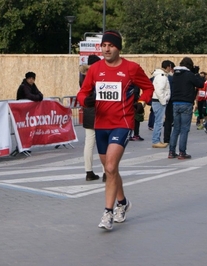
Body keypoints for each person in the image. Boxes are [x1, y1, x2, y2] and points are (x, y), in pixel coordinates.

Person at [77, 30, 154, 231]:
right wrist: (87, 101)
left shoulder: (131, 68)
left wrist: (141, 102)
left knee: (110, 167)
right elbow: (82, 93)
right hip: (101, 124)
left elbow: (148, 88)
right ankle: (123, 203)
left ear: (118, 47)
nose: (107, 49)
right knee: (111, 170)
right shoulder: (95, 69)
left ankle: (108, 212)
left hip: (122, 122)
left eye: (111, 45)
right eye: (104, 46)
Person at [168, 57, 204, 159]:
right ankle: (182, 152)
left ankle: (171, 151)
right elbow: (200, 83)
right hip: (186, 103)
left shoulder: (175, 74)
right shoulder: (189, 75)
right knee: (184, 129)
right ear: (190, 66)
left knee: (176, 129)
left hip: (175, 103)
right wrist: (196, 73)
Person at [80, 55, 103, 181]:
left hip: (88, 111)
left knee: (89, 143)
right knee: (104, 143)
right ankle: (106, 172)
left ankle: (88, 172)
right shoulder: (98, 75)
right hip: (101, 110)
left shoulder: (82, 75)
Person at [151, 61, 171, 148]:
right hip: (159, 101)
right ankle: (156, 141)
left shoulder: (160, 76)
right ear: (167, 67)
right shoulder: (162, 77)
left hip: (158, 100)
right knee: (158, 122)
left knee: (158, 122)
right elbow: (159, 90)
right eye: (170, 67)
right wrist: (164, 101)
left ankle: (156, 140)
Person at [162, 60, 175, 144]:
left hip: (159, 99)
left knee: (159, 120)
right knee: (168, 120)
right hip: (168, 100)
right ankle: (166, 138)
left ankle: (158, 138)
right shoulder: (169, 77)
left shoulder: (155, 75)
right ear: (169, 67)